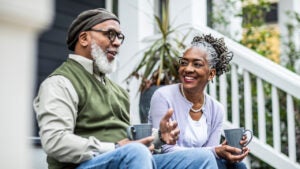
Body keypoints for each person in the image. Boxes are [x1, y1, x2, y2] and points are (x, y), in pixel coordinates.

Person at [33, 8, 218, 169]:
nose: (117, 42)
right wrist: (116, 147)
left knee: (202, 156)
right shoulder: (60, 82)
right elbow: (55, 141)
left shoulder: (118, 91)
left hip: (126, 158)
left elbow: (128, 139)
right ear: (84, 38)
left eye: (119, 37)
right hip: (81, 165)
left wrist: (160, 136)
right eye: (110, 34)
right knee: (135, 152)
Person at [149, 34, 250, 169]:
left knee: (238, 166)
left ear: (211, 74)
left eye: (197, 64)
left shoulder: (216, 109)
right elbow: (164, 149)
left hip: (200, 163)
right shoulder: (163, 96)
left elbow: (211, 153)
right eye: (184, 63)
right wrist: (215, 151)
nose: (188, 69)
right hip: (164, 163)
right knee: (206, 157)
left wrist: (226, 151)